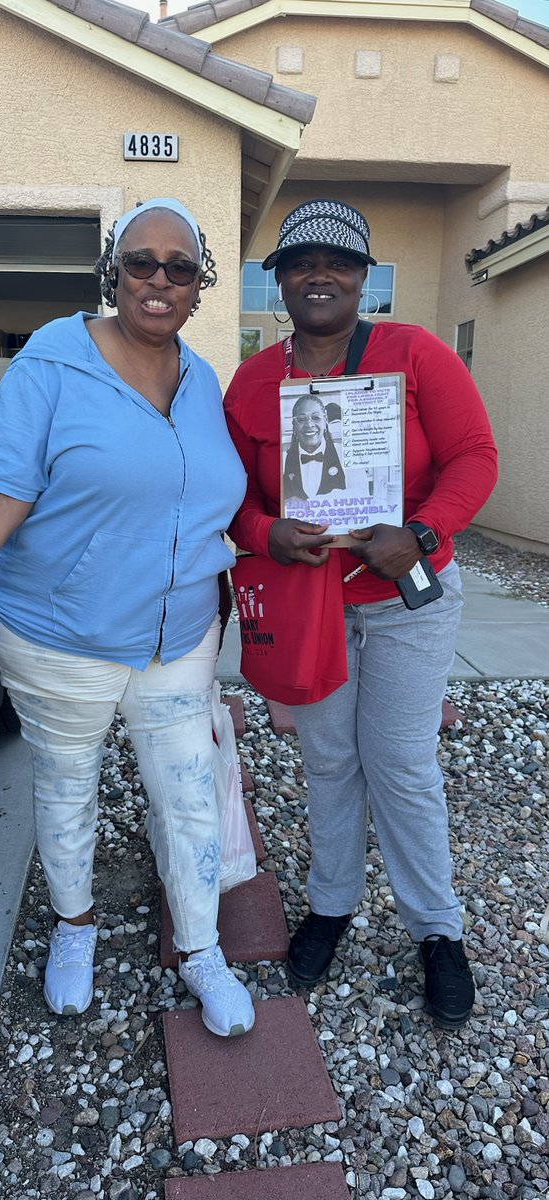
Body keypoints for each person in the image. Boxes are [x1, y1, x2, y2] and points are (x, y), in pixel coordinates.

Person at [0, 197, 255, 1039]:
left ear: (199, 284)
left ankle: (203, 950)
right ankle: (74, 928)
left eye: (180, 267)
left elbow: (203, 496)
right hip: (61, 634)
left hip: (175, 635)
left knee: (187, 794)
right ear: (113, 271)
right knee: (68, 787)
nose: (159, 280)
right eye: (142, 261)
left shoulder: (201, 377)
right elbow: (0, 489)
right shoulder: (53, 366)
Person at [224, 198, 498, 1029]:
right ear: (277, 280)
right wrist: (268, 532)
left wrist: (418, 533)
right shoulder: (255, 381)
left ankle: (436, 930)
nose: (319, 274)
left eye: (337, 263)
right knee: (329, 761)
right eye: (299, 261)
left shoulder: (412, 354)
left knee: (402, 765)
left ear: (363, 280)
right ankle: (332, 905)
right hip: (312, 606)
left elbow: (473, 458)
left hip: (404, 602)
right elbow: (232, 497)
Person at [283, 394, 347, 500]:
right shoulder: (283, 459)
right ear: (294, 424)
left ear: (325, 419)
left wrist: (308, 504)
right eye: (302, 419)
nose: (309, 424)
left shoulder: (344, 454)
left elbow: (361, 491)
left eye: (316, 417)